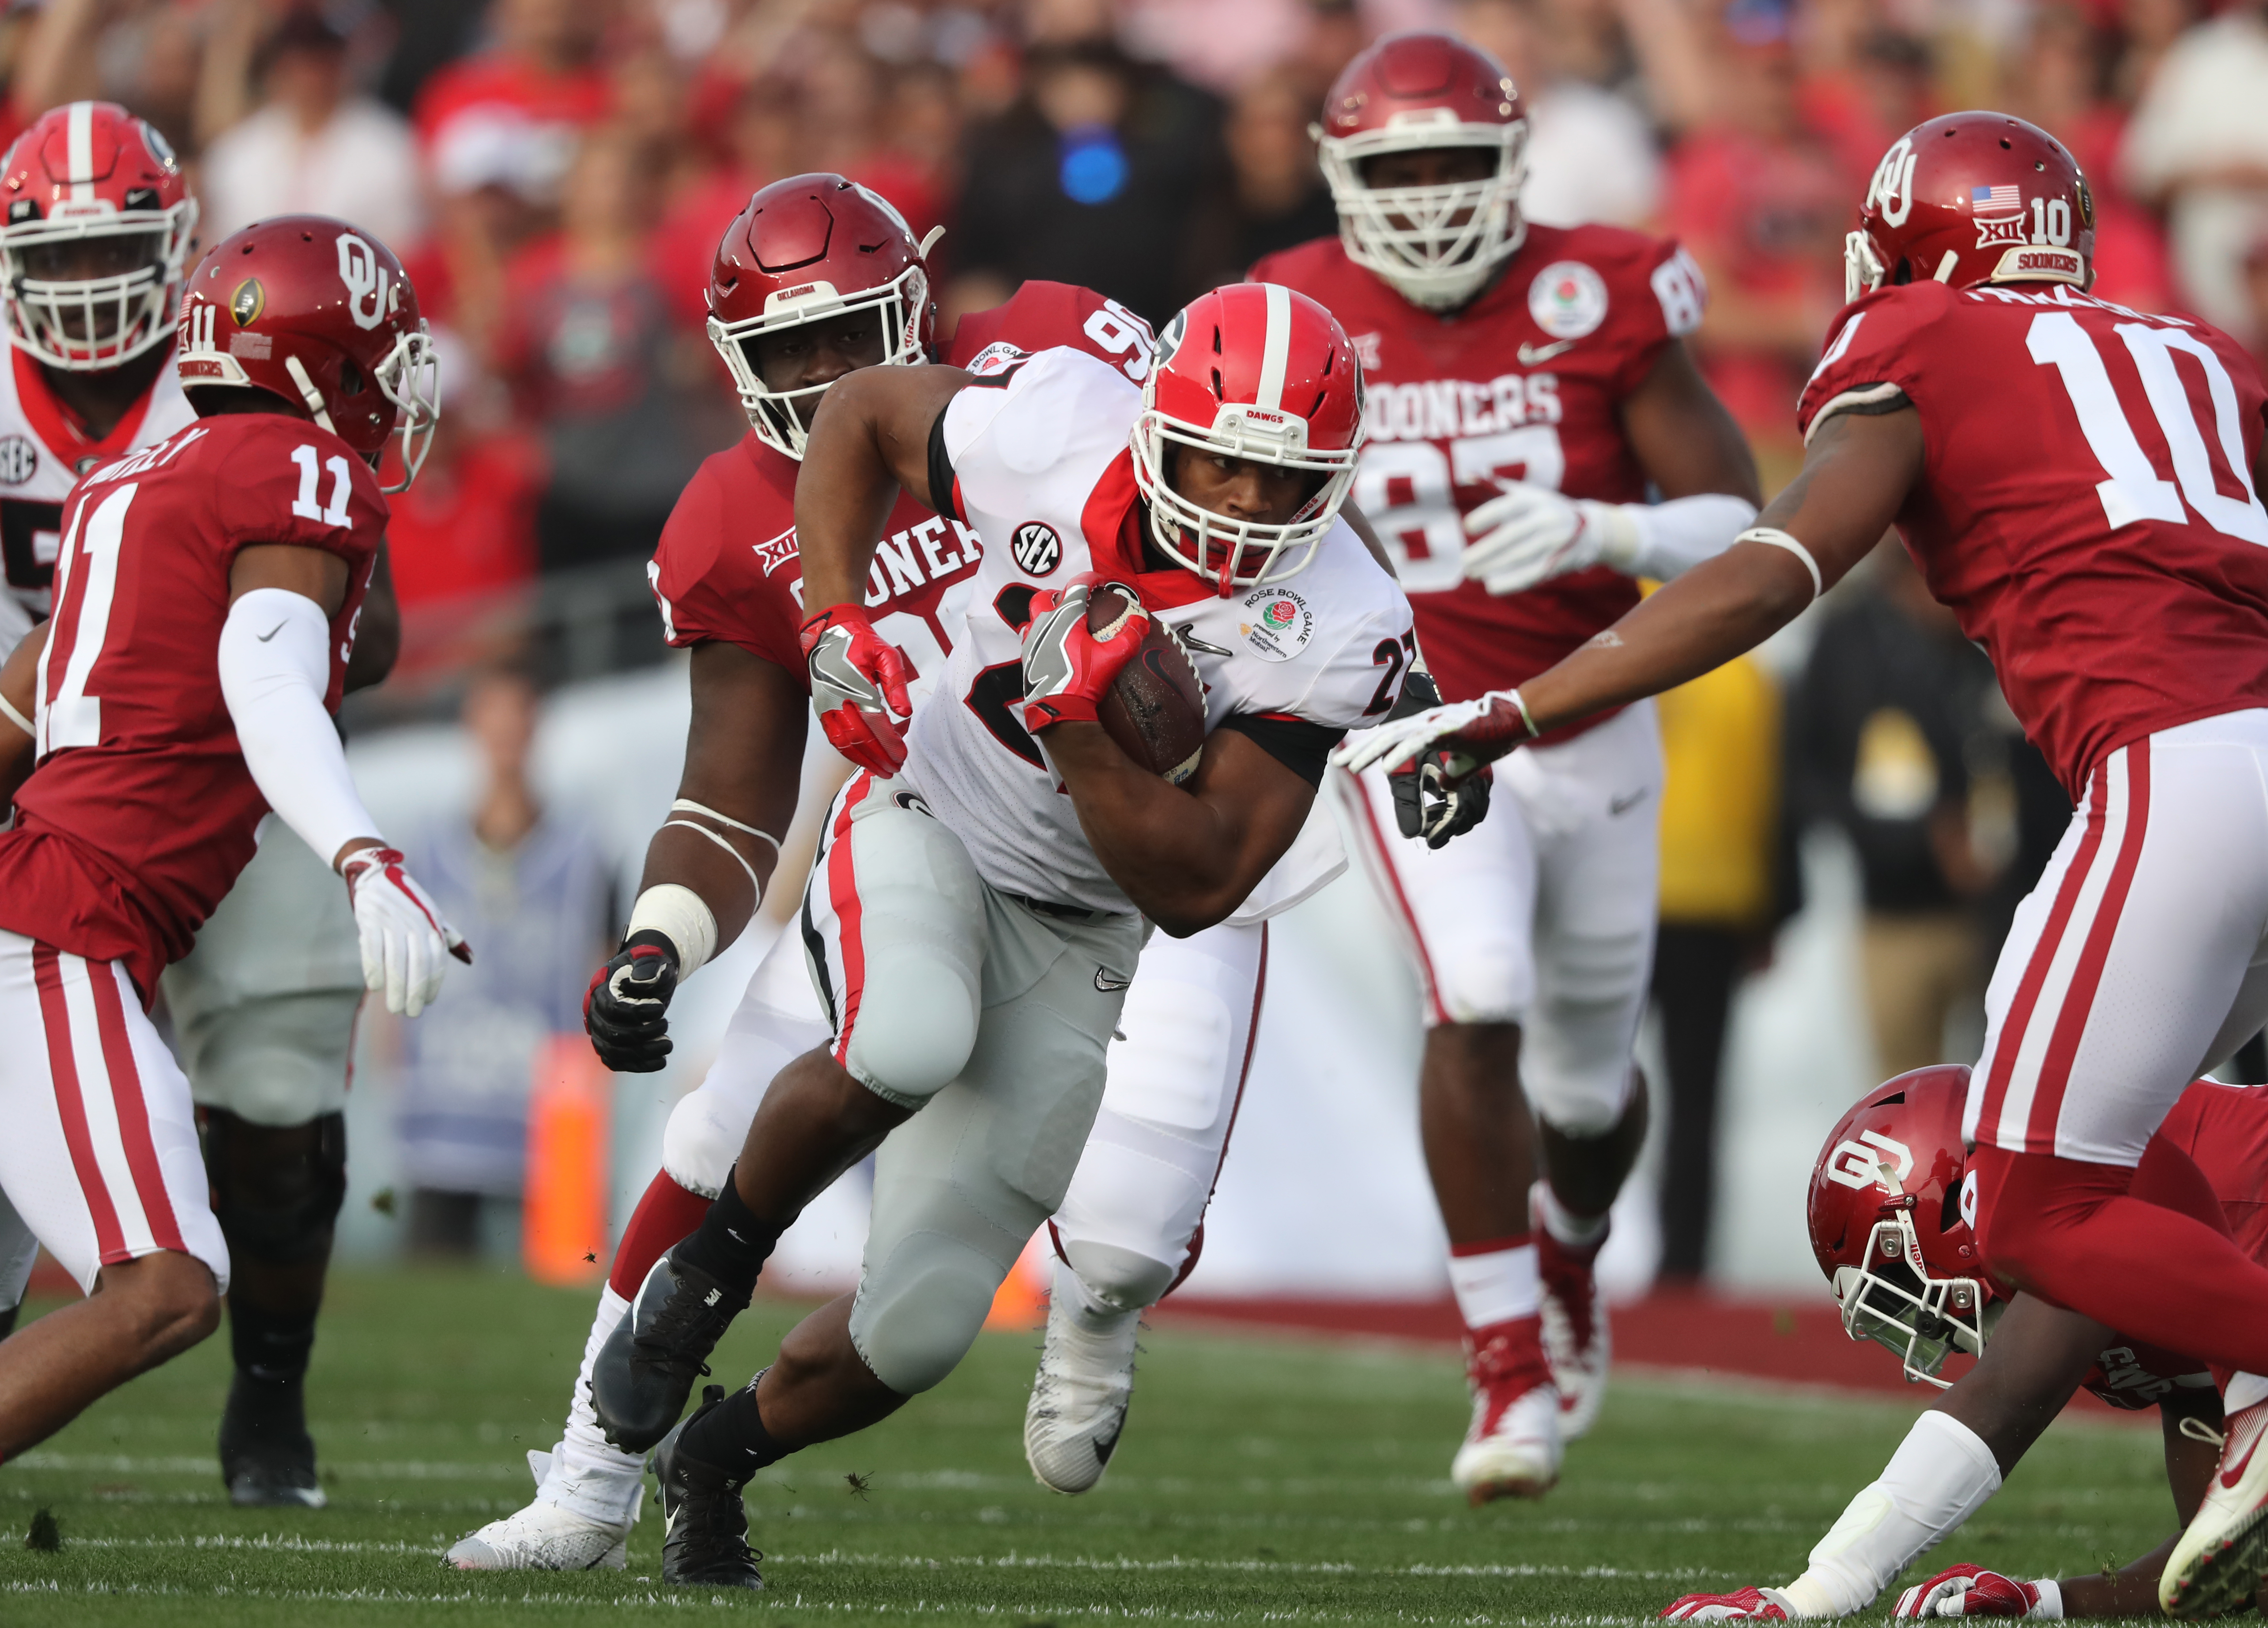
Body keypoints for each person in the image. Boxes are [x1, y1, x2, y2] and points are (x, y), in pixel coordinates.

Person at [1341, 109, 2268, 1617]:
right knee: (2146, 1206)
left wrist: (1523, 704)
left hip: (2176, 771)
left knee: (2036, 1211)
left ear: (1923, 243)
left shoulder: (1920, 333)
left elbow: (1775, 566)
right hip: (2243, 745)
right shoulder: (2192, 350)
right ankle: (2221, 1407)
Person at [447, 177, 1354, 1570]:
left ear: (918, 305)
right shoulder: (729, 512)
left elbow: (1217, 442)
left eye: (851, 336)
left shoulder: (1042, 370)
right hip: (925, 814)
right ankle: (586, 1473)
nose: (824, 379)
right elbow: (731, 780)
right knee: (758, 1108)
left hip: (1106, 885)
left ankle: (730, 1448)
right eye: (788, 353)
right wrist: (660, 935)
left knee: (946, 1310)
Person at [1252, 30, 1759, 1500]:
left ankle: (1572, 1251)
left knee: (1592, 1093)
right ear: (1341, 173)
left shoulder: (1598, 287)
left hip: (1593, 717)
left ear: (1513, 165)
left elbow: (1739, 514)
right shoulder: (1288, 308)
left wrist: (1607, 531)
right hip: (1420, 724)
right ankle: (1504, 1368)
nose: (1421, 198)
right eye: (1394, 167)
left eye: (1451, 165)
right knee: (1472, 994)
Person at [0, 213, 461, 1461]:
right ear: (326, 360)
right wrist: (364, 853)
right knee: (163, 1288)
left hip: (53, 903)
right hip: (58, 927)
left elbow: (26, 689)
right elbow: (270, 679)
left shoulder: (124, 483)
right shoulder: (300, 471)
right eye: (380, 355)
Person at [1660, 1066, 2252, 1620]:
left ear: (1949, 1212)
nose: (1925, 1326)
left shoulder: (2081, 1179)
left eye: (1897, 1287)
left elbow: (2001, 1400)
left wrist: (1810, 1595)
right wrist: (2041, 1600)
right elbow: (2233, 1564)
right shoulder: (2154, 1323)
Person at [394, 664, 611, 1255]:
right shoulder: (427, 850)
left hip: (547, 1115)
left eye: (517, 717)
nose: (505, 733)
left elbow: (603, 976)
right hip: (443, 1110)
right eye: (493, 717)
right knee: (429, 1287)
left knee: (559, 1296)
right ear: (471, 726)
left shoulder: (583, 855)